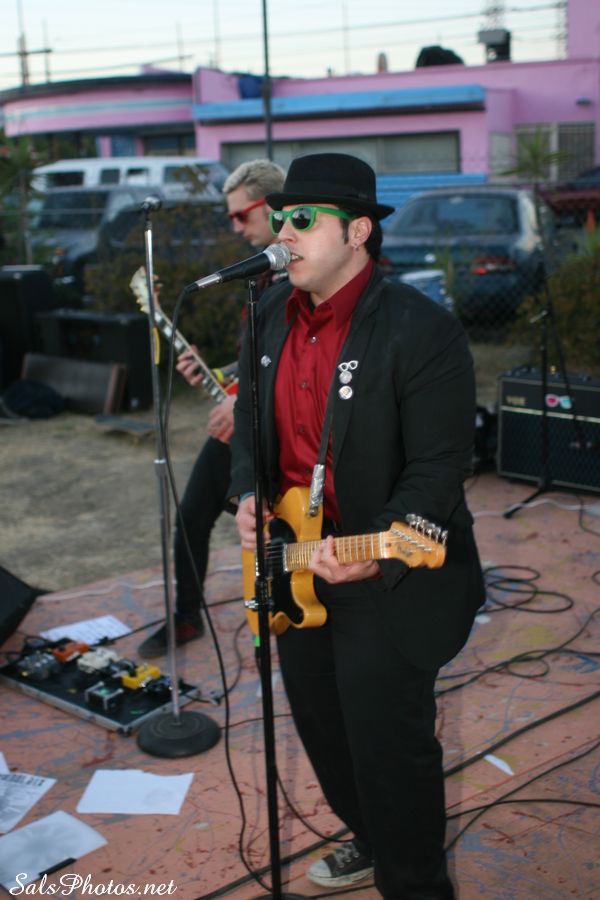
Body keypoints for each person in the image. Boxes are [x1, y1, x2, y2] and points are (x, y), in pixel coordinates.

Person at [230, 153, 485, 898]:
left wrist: (380, 553)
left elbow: (440, 467)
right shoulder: (265, 315)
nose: (284, 233)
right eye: (280, 219)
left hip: (385, 566)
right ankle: (369, 840)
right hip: (292, 564)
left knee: (390, 749)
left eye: (304, 220)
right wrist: (246, 494)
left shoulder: (421, 329)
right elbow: (249, 429)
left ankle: (415, 883)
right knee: (323, 729)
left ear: (359, 232)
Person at [138, 158, 286, 658]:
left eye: (242, 215)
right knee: (190, 517)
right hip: (242, 423)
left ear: (274, 206)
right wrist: (218, 375)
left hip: (282, 429)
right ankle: (186, 617)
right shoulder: (259, 275)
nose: (236, 227)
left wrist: (241, 397)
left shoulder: (300, 272)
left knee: (279, 527)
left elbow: (300, 363)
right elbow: (258, 358)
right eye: (230, 217)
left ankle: (287, 613)